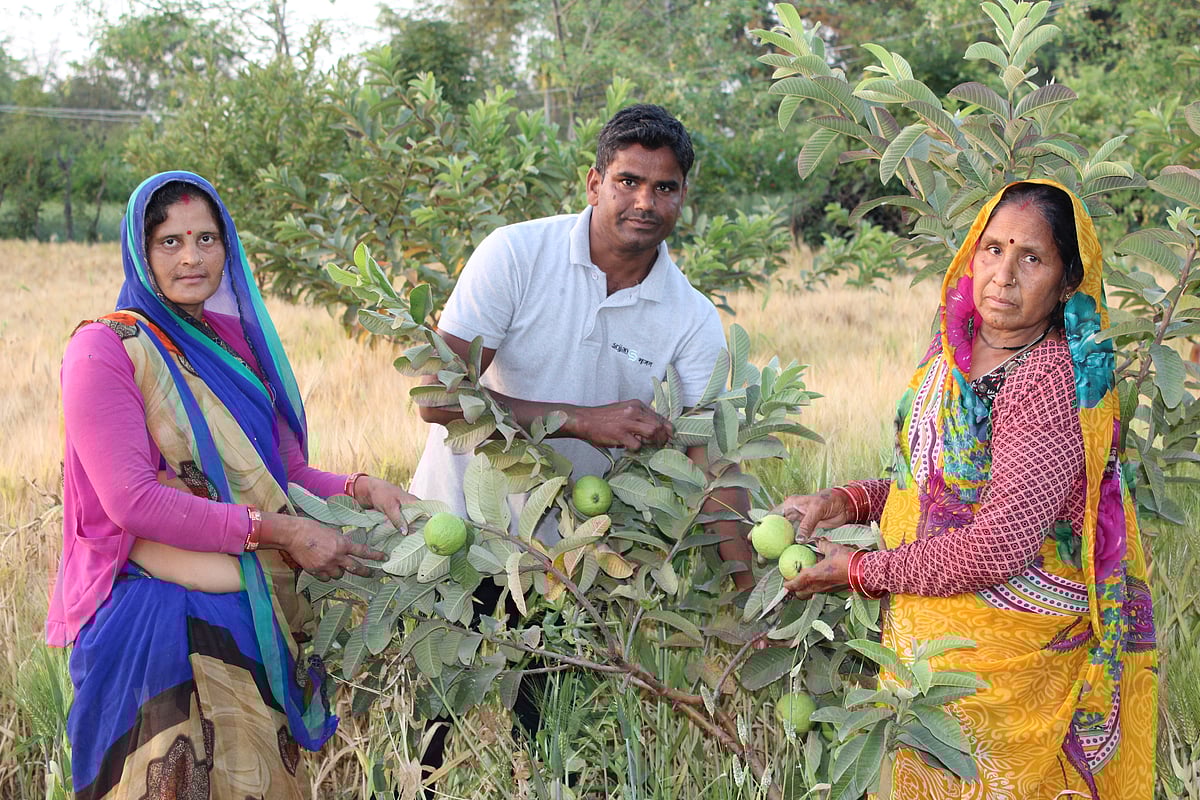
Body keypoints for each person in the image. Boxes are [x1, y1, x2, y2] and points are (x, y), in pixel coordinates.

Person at [778, 180, 1157, 798]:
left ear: (1066, 282)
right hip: (930, 658)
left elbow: (995, 547)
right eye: (993, 249)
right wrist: (845, 501)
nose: (1004, 275)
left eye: (1031, 257)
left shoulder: (1046, 381)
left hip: (1007, 673)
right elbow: (925, 482)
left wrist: (858, 572)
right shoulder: (953, 354)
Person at [46, 171, 415, 799]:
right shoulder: (104, 349)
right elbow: (131, 500)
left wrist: (360, 488)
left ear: (228, 247)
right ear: (140, 249)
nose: (191, 257)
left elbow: (286, 475)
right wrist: (281, 531)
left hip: (247, 605)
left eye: (207, 238)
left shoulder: (236, 348)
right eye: (169, 241)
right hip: (153, 616)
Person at [411, 103, 754, 585]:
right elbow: (437, 397)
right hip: (458, 539)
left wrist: (750, 591)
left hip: (578, 571)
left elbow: (713, 460)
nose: (645, 203)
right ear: (594, 184)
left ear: (682, 197)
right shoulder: (514, 254)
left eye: (664, 188)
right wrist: (580, 421)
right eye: (628, 181)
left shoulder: (692, 317)